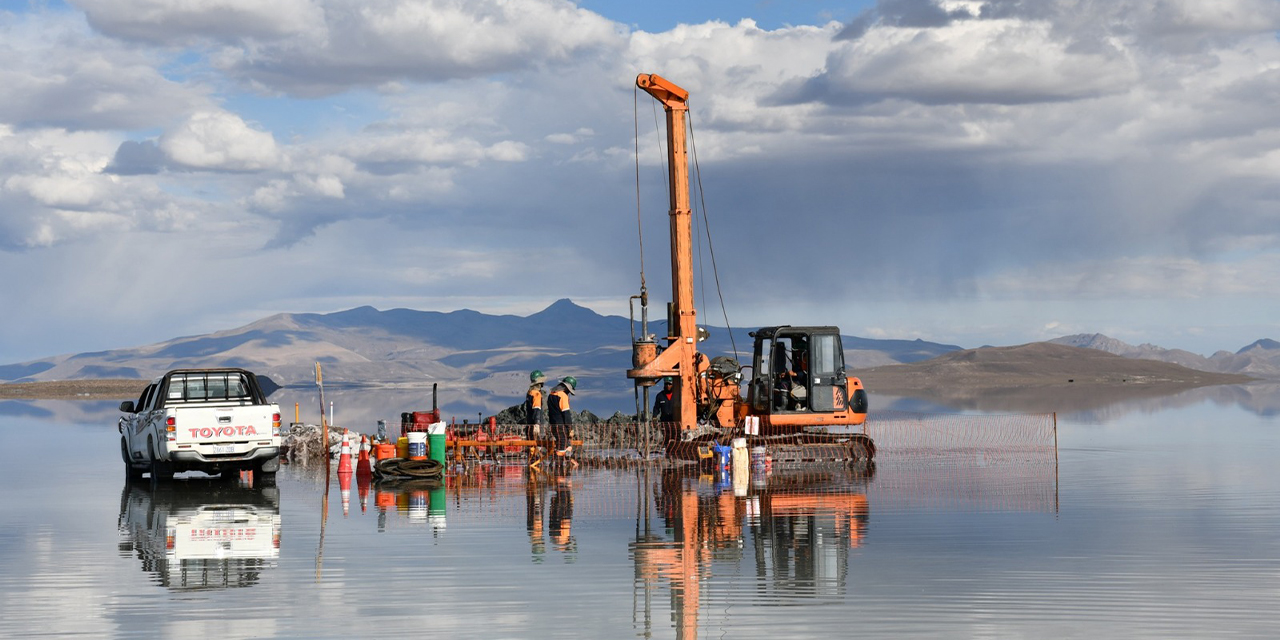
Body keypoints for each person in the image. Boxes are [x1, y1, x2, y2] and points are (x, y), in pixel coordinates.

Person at [548, 376, 578, 465]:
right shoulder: (562, 396)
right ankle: (558, 468)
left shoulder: (551, 395)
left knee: (562, 444)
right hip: (561, 426)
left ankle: (556, 465)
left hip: (553, 425)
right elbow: (566, 414)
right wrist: (570, 428)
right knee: (562, 444)